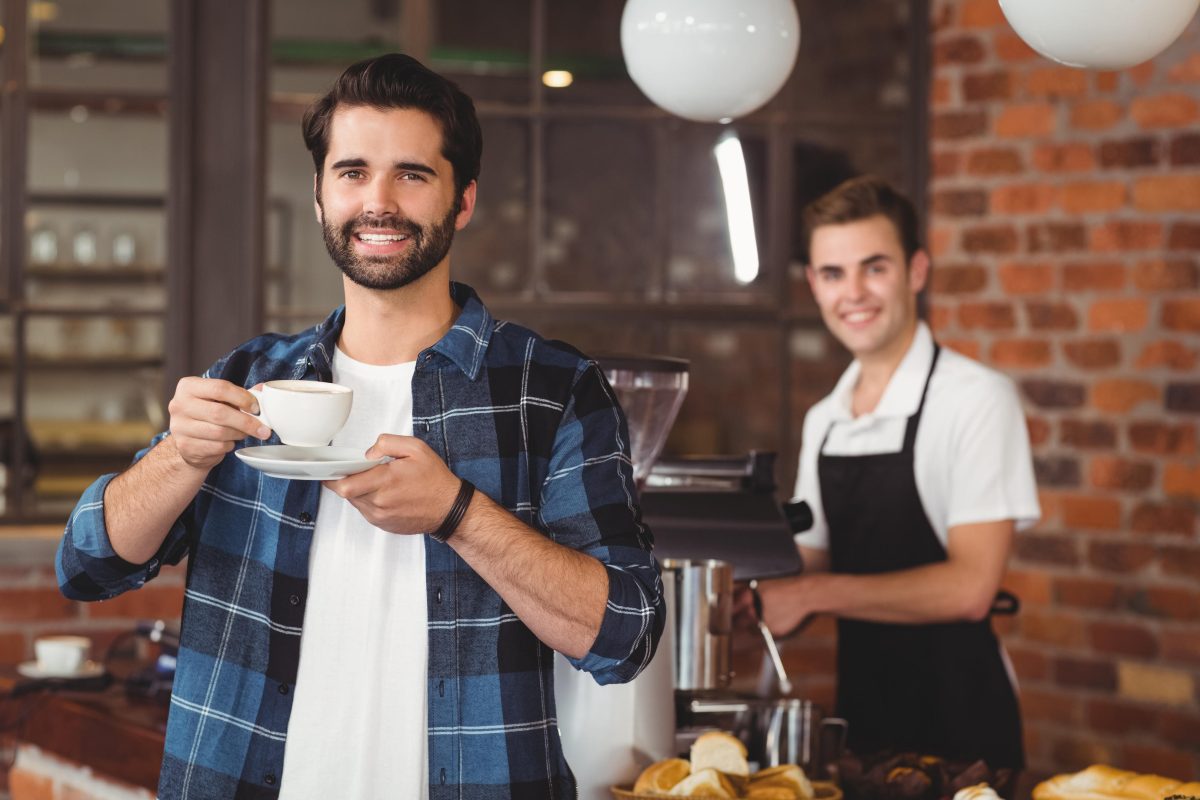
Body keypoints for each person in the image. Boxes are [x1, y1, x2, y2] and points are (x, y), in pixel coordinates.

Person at [56, 54, 664, 800]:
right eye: (352, 172)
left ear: (463, 200)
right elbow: (86, 567)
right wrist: (178, 458)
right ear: (319, 196)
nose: (378, 202)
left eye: (412, 174)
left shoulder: (553, 388)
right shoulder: (250, 380)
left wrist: (458, 514)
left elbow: (626, 635)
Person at [755, 175, 1040, 770]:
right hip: (862, 722)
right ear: (814, 284)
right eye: (833, 274)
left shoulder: (977, 399)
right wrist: (750, 592)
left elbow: (971, 588)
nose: (853, 293)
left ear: (916, 271)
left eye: (875, 268)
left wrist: (809, 594)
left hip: (966, 729)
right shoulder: (825, 418)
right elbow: (813, 559)